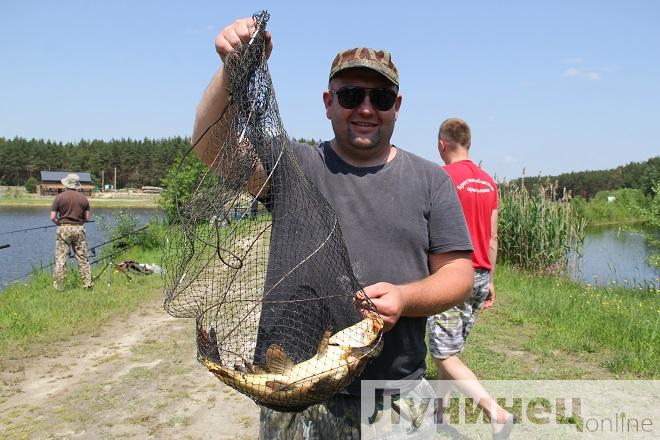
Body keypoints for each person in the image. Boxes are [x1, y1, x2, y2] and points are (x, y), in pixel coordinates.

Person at [192, 17, 475, 439]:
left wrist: (404, 297)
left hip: (393, 393)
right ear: (328, 102)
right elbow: (211, 147)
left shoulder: (431, 180)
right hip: (297, 390)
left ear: (397, 106)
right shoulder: (295, 167)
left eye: (380, 97)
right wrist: (231, 69)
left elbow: (459, 275)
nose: (365, 108)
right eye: (350, 95)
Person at [427, 118, 513, 438]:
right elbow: (492, 238)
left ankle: (496, 412)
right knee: (449, 352)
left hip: (453, 276)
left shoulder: (441, 177)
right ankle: (438, 416)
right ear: (469, 144)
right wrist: (490, 278)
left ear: (441, 144)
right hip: (479, 276)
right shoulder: (489, 182)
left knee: (443, 354)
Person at [50, 173, 93, 290]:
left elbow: (52, 217)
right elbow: (87, 218)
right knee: (82, 258)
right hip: (79, 228)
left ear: (66, 184)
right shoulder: (83, 198)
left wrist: (59, 223)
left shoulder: (59, 197)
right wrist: (80, 223)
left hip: (63, 228)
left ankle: (59, 286)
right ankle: (87, 284)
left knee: (61, 258)